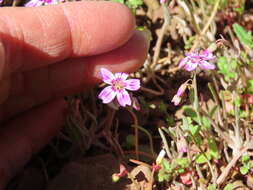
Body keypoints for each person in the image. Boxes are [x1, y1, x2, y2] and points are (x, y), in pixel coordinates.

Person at [0, 1, 149, 187]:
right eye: (116, 83)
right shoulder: (109, 87)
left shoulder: (122, 87)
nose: (118, 84)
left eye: (120, 84)